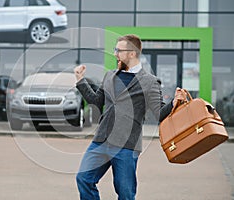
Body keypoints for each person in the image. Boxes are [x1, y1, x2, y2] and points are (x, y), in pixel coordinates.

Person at [74, 34, 187, 200]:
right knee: (83, 179)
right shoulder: (110, 75)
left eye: (118, 50)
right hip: (101, 141)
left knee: (126, 194)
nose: (115, 54)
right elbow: (96, 101)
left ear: (132, 53)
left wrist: (175, 102)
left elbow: (159, 113)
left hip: (126, 146)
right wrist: (80, 80)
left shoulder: (149, 82)